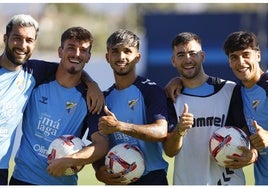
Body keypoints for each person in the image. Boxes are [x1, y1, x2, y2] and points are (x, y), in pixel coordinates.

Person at [0, 14, 104, 185]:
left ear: (88, 56)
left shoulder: (91, 98)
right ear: (60, 51)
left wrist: (71, 159)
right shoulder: (36, 74)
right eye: (71, 47)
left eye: (83, 50)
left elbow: (101, 145)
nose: (76, 54)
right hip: (22, 180)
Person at [163, 32, 257, 185]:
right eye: (181, 54)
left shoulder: (230, 90)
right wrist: (179, 130)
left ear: (202, 56)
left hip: (229, 182)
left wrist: (249, 153)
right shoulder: (170, 97)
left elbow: (247, 131)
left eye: (193, 53)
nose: (187, 59)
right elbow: (169, 151)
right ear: (173, 61)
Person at [93, 29, 169, 185]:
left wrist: (120, 126)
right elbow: (98, 144)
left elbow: (161, 132)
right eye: (115, 51)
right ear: (107, 57)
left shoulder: (151, 90)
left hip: (152, 178)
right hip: (118, 180)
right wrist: (99, 171)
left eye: (127, 51)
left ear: (137, 57)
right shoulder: (102, 98)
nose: (121, 57)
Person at [223, 31, 268, 185]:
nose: (240, 62)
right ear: (229, 62)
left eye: (246, 55)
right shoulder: (236, 93)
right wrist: (253, 154)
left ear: (258, 56)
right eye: (234, 57)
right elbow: (250, 136)